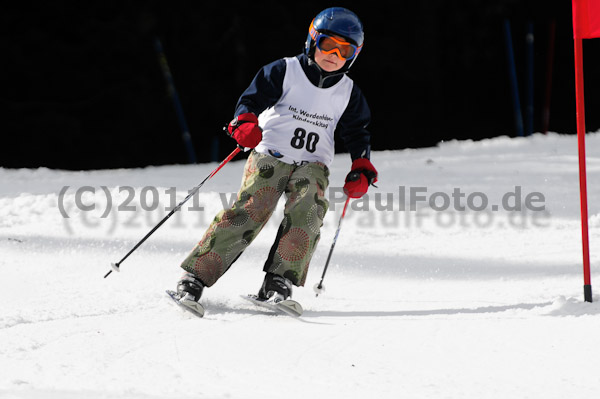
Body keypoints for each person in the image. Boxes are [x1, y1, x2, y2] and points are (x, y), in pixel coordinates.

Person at [175, 7, 378, 310]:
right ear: (312, 40)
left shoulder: (349, 93)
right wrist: (244, 122)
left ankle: (278, 282)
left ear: (354, 55)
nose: (334, 54)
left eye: (344, 49)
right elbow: (251, 100)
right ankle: (195, 278)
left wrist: (361, 165)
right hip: (271, 155)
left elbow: (358, 131)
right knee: (251, 210)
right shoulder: (285, 71)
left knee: (308, 212)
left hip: (314, 164)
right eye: (327, 44)